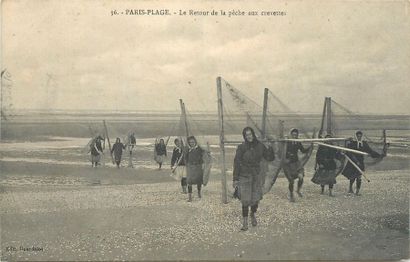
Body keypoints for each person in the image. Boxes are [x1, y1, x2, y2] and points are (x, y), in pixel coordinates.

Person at [233, 127, 275, 231]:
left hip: (256, 175)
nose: (249, 137)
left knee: (255, 198)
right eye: (246, 135)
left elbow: (269, 158)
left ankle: (252, 214)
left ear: (253, 134)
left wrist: (270, 148)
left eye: (250, 134)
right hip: (244, 175)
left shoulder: (260, 146)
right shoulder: (241, 148)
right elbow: (237, 163)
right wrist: (235, 178)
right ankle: (245, 222)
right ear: (244, 136)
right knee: (245, 199)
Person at [342, 131, 382, 196]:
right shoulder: (352, 143)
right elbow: (348, 152)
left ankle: (357, 191)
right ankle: (350, 188)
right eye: (358, 136)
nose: (359, 137)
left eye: (360, 136)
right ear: (356, 136)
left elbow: (370, 151)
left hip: (360, 162)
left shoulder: (364, 144)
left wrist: (379, 155)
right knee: (352, 176)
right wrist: (355, 160)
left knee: (359, 176)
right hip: (352, 162)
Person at [282, 128, 311, 202]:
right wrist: (287, 156)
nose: (294, 136)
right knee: (291, 181)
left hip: (296, 163)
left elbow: (303, 150)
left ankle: (298, 190)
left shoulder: (298, 142)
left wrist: (310, 147)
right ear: (291, 135)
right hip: (288, 164)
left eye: (296, 135)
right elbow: (282, 152)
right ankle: (291, 194)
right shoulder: (287, 142)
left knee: (301, 177)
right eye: (293, 134)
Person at [185, 136, 205, 202]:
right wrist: (187, 164)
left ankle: (199, 192)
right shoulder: (188, 149)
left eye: (193, 142)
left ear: (195, 142)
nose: (192, 143)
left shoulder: (199, 149)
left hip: (198, 167)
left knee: (198, 181)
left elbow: (204, 154)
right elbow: (185, 158)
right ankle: (190, 197)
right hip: (190, 167)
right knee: (189, 181)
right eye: (190, 142)